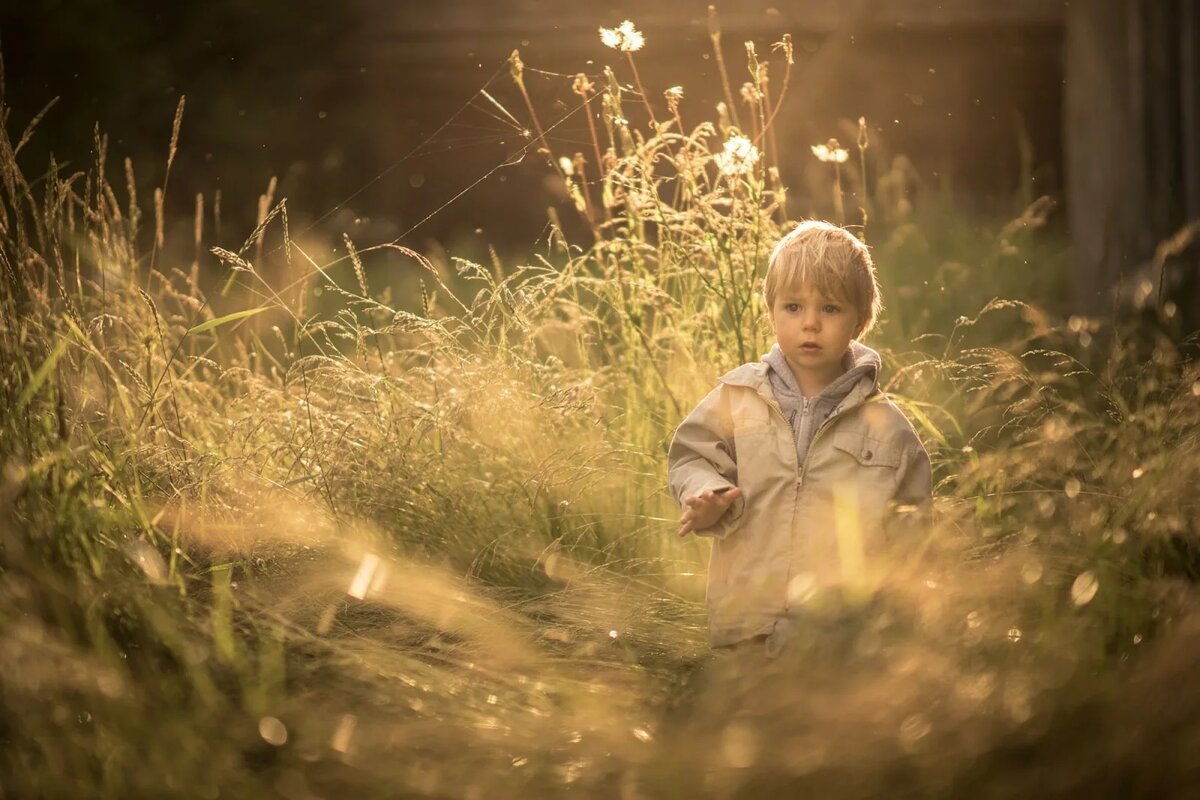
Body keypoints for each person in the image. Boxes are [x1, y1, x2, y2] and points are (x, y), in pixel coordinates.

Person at [667, 220, 933, 654]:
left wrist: (901, 619)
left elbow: (914, 532)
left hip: (843, 644)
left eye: (830, 309)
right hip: (745, 625)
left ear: (860, 320)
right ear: (770, 311)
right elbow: (691, 457)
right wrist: (707, 493)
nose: (810, 323)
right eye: (793, 307)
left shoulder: (888, 430)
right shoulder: (738, 399)